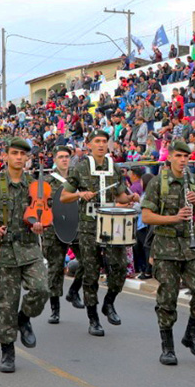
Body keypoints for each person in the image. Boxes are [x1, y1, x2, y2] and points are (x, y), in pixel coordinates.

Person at [0, 137, 50, 373]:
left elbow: (45, 214)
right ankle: (7, 351)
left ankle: (24, 318)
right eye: (14, 153)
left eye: (22, 154)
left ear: (27, 158)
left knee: (41, 289)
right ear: (5, 155)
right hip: (4, 249)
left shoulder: (36, 185)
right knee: (6, 304)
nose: (18, 157)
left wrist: (40, 225)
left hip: (29, 247)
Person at [136, 140, 195, 365]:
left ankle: (191, 335)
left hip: (191, 244)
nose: (182, 160)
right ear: (169, 157)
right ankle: (167, 348)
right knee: (167, 298)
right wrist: (174, 218)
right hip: (166, 246)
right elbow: (146, 216)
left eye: (185, 156)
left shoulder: (194, 181)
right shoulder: (157, 182)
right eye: (178, 156)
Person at [60, 130, 136, 336]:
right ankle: (93, 318)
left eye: (104, 141)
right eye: (97, 141)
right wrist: (79, 194)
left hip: (111, 223)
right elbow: (64, 196)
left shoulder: (114, 167)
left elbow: (120, 196)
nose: (101, 145)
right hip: (88, 225)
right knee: (91, 272)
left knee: (120, 266)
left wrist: (130, 198)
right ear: (89, 144)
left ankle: (109, 303)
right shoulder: (80, 167)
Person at [39, 146, 80, 322]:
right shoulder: (47, 181)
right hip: (54, 228)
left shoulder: (77, 179)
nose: (64, 159)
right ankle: (55, 310)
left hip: (75, 226)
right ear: (55, 160)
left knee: (88, 262)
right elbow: (40, 205)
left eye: (67, 157)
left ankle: (74, 291)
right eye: (61, 157)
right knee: (55, 270)